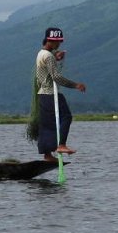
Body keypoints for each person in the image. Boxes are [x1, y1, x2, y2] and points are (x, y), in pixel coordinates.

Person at [28, 27, 87, 162]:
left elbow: (49, 62)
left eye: (59, 41)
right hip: (51, 94)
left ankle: (47, 155)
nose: (58, 44)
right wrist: (75, 85)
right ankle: (61, 145)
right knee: (66, 117)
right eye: (56, 42)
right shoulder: (48, 56)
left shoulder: (42, 53)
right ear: (49, 40)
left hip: (43, 95)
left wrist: (56, 57)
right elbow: (56, 77)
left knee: (47, 124)